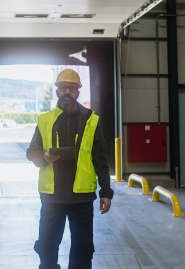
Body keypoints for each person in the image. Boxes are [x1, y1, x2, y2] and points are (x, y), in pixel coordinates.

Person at [27, 69, 113, 269]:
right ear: (57, 91)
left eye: (72, 88)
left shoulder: (92, 121)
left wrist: (105, 191)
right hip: (52, 197)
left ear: (78, 92)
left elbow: (101, 159)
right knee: (47, 247)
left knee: (83, 249)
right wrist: (44, 157)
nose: (67, 91)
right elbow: (32, 152)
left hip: (81, 198)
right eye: (63, 88)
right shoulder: (44, 120)